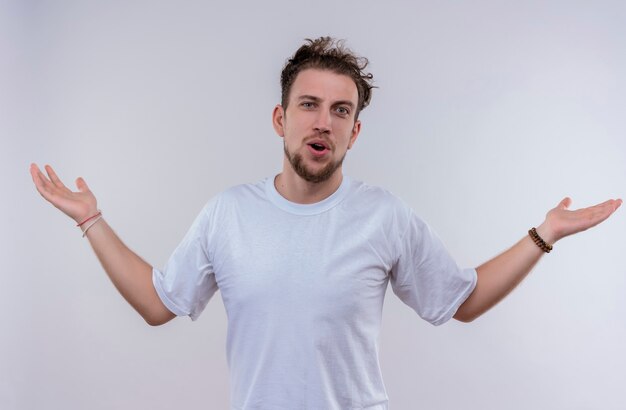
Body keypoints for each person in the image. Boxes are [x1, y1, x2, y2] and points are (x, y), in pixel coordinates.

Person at [30, 37, 621, 409]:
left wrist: (545, 235)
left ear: (354, 131)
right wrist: (92, 221)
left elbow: (459, 300)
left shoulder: (384, 215)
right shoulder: (228, 213)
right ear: (280, 117)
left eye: (341, 111)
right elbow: (159, 303)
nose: (324, 122)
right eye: (309, 105)